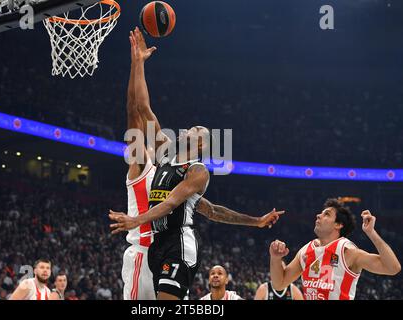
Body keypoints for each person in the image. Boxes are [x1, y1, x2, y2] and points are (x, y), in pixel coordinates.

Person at [111, 27, 285, 300]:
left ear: (202, 144)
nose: (189, 128)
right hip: (157, 246)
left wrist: (135, 219)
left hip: (179, 244)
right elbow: (142, 108)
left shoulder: (198, 171)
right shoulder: (165, 153)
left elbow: (170, 204)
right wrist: (139, 63)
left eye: (196, 129)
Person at [269, 199, 401, 300]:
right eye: (321, 213)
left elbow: (393, 268)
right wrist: (275, 258)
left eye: (326, 214)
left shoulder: (348, 252)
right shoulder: (306, 250)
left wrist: (371, 233)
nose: (318, 216)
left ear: (338, 224)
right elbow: (279, 284)